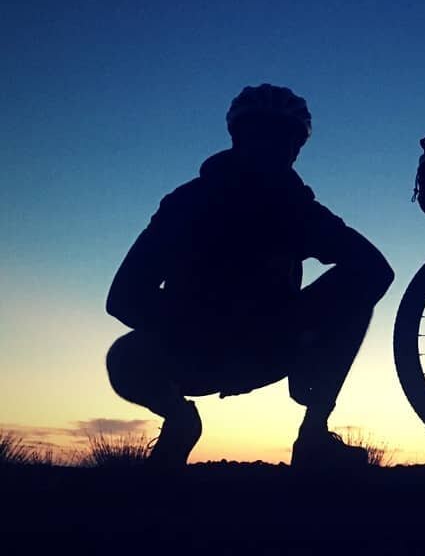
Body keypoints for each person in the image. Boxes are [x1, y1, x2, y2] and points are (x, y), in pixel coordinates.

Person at [104, 84, 393, 469]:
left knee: (360, 285)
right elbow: (123, 296)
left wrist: (306, 339)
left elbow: (373, 271)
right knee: (125, 357)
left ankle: (313, 435)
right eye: (264, 138)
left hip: (268, 345)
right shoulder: (188, 204)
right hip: (199, 349)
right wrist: (192, 326)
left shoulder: (296, 208)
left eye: (284, 141)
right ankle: (181, 421)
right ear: (239, 140)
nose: (275, 150)